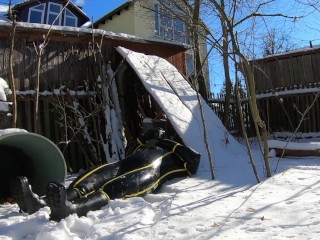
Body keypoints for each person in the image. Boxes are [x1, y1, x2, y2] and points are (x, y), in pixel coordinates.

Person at [11, 128, 200, 221]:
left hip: (149, 172)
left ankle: (72, 209)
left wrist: (166, 141)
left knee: (111, 189)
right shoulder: (153, 146)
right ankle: (40, 203)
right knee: (92, 177)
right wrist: (147, 136)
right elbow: (130, 151)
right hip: (123, 164)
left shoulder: (180, 153)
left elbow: (194, 162)